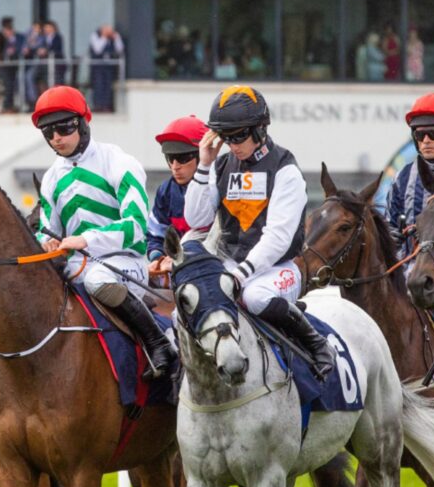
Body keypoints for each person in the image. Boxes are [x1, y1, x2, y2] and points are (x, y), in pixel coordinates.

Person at [184, 86, 335, 379]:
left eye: (239, 135)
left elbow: (278, 238)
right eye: (226, 137)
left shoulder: (285, 169)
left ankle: (316, 343)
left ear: (260, 129)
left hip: (278, 269)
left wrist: (241, 275)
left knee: (253, 297)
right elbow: (196, 219)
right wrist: (203, 165)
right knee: (191, 302)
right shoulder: (222, 164)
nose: (232, 144)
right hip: (231, 265)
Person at [32, 86, 173, 379]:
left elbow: (136, 226)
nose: (56, 137)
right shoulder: (51, 178)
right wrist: (47, 242)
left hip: (123, 263)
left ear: (84, 123)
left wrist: (87, 240)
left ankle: (158, 343)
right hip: (76, 264)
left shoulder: (119, 162)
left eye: (64, 127)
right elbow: (47, 229)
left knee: (97, 279)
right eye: (48, 132)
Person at [385, 93, 434, 257]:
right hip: (409, 270)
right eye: (420, 134)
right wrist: (390, 238)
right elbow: (389, 226)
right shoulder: (402, 178)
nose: (426, 140)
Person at [147, 114, 207, 277]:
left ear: (201, 155)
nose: (175, 167)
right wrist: (157, 259)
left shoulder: (220, 188)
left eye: (181, 158)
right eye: (170, 158)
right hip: (176, 271)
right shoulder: (165, 191)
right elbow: (155, 236)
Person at [88, 24, 124, 113]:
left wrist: (116, 38)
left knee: (108, 86)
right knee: (98, 85)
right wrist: (104, 37)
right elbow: (97, 49)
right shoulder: (95, 36)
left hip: (109, 65)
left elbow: (120, 49)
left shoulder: (114, 37)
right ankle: (98, 105)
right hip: (98, 66)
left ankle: (107, 105)